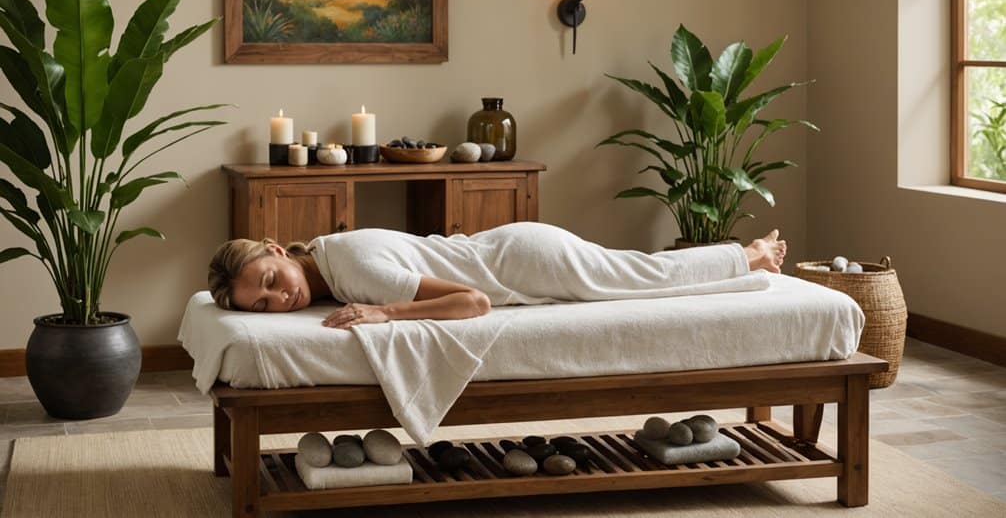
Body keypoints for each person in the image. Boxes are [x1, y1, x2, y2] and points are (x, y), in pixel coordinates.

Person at [208, 222, 786, 330]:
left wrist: (387, 312)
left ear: (278, 250)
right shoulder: (330, 258)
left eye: (268, 277)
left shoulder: (353, 268)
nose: (278, 296)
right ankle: (748, 257)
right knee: (638, 271)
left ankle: (752, 255)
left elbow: (475, 302)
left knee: (642, 275)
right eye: (262, 306)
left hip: (529, 261)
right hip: (513, 246)